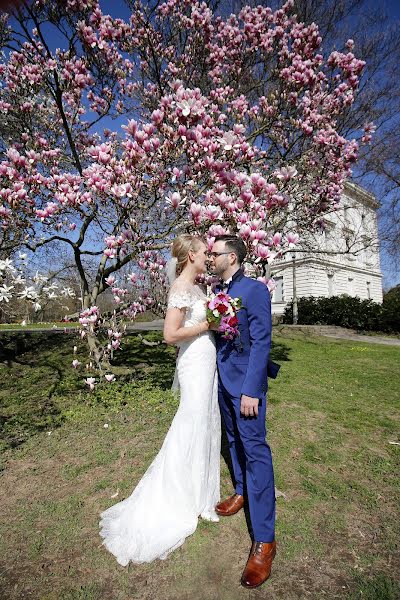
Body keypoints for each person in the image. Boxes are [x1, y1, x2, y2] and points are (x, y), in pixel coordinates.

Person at [99, 234, 220, 565]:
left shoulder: (199, 287)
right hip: (193, 361)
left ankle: (201, 497)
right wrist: (206, 326)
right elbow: (169, 336)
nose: (208, 256)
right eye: (204, 252)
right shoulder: (180, 288)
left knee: (206, 424)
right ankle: (179, 497)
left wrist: (216, 324)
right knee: (191, 422)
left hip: (207, 359)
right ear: (191, 255)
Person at [209, 234, 276, 589]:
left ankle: (265, 539)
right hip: (223, 381)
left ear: (231, 257)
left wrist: (252, 389)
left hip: (246, 389)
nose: (210, 256)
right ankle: (240, 490)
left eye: (214, 252)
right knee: (232, 440)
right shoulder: (220, 292)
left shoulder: (253, 290)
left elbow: (262, 341)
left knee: (256, 453)